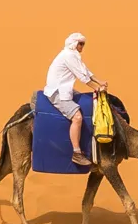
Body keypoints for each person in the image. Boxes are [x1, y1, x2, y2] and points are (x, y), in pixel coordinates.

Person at [44, 32, 109, 167]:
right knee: (77, 117)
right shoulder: (68, 56)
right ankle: (76, 153)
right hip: (57, 92)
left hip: (64, 89)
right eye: (80, 44)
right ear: (74, 44)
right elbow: (82, 76)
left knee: (85, 102)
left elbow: (85, 71)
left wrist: (100, 82)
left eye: (83, 44)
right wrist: (96, 89)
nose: (82, 46)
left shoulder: (72, 55)